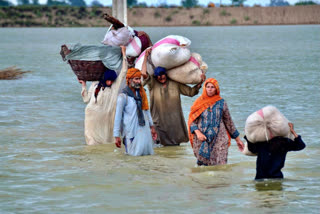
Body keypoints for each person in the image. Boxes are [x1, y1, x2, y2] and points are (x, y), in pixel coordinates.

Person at [141, 49, 204, 146]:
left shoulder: (175, 83)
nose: (161, 77)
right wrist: (145, 57)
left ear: (166, 74)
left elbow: (191, 92)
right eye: (158, 76)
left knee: (174, 146)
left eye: (162, 75)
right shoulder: (152, 84)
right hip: (158, 120)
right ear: (156, 77)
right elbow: (144, 74)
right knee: (158, 145)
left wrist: (200, 83)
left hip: (174, 121)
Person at [188, 78, 244, 166]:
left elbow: (228, 122)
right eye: (208, 87)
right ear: (205, 88)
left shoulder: (221, 103)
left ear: (216, 89)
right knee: (203, 168)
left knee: (221, 165)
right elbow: (192, 121)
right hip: (202, 138)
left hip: (220, 139)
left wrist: (238, 140)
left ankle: (221, 179)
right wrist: (198, 133)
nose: (210, 89)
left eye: (212, 87)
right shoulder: (199, 103)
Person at [78, 46, 127, 145]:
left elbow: (124, 71)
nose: (109, 82)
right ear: (104, 78)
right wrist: (83, 85)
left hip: (106, 119)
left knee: (107, 141)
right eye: (108, 80)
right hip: (92, 118)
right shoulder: (95, 85)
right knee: (91, 142)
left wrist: (124, 54)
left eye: (111, 80)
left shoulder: (114, 87)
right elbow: (86, 100)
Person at [113, 68, 157, 156]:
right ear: (129, 80)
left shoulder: (141, 94)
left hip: (143, 130)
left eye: (139, 79)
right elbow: (118, 117)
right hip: (130, 132)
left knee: (145, 156)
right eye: (136, 79)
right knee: (132, 157)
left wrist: (152, 127)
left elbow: (146, 110)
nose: (138, 81)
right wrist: (116, 135)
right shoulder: (123, 97)